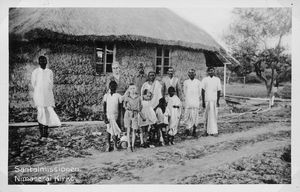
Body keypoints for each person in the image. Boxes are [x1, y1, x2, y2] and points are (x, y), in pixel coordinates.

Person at [31, 56, 61, 138]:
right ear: (39, 62)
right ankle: (42, 133)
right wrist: (39, 91)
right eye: (41, 61)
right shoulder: (35, 72)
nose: (43, 63)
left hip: (48, 95)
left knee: (47, 113)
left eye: (44, 61)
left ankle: (46, 132)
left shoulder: (50, 72)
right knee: (41, 113)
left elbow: (51, 84)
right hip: (39, 95)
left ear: (46, 62)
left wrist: (47, 91)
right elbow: (33, 84)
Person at [106, 61, 128, 131]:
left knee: (123, 116)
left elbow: (128, 88)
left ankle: (123, 134)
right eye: (114, 68)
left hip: (123, 99)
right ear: (112, 69)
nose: (115, 70)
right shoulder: (110, 78)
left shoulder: (124, 78)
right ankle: (114, 134)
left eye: (117, 68)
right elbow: (108, 90)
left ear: (120, 68)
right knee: (115, 116)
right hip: (114, 100)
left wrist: (124, 96)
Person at [123, 84, 145, 152]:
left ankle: (133, 145)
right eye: (131, 88)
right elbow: (124, 105)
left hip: (135, 114)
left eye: (133, 88)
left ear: (136, 89)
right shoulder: (127, 97)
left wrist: (138, 109)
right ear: (129, 90)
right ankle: (129, 145)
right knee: (128, 130)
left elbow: (141, 106)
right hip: (128, 114)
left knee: (134, 130)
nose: (132, 90)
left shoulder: (138, 97)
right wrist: (127, 107)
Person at [202, 67, 222, 137]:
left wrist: (218, 101)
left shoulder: (217, 79)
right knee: (206, 116)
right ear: (208, 72)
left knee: (214, 116)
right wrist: (203, 102)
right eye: (209, 71)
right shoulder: (205, 79)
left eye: (212, 71)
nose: (211, 72)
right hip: (207, 100)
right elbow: (203, 91)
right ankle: (206, 131)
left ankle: (214, 131)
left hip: (214, 100)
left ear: (214, 72)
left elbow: (219, 91)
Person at [103, 81, 122, 152]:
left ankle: (115, 145)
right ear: (109, 87)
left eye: (114, 86)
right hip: (108, 115)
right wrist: (104, 116)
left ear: (116, 87)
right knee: (108, 130)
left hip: (115, 115)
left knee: (115, 130)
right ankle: (108, 145)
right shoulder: (106, 96)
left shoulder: (118, 96)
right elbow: (104, 107)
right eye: (111, 86)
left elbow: (120, 108)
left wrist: (119, 118)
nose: (113, 87)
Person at [183, 69, 202, 138]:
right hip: (188, 102)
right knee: (187, 116)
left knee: (195, 116)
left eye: (192, 73)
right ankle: (187, 129)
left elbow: (199, 93)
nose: (191, 75)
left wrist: (195, 98)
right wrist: (188, 98)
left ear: (195, 74)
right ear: (188, 75)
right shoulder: (186, 82)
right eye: (190, 73)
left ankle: (194, 130)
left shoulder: (198, 82)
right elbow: (185, 92)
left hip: (195, 102)